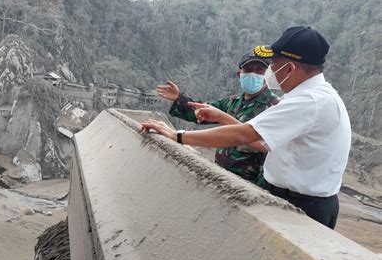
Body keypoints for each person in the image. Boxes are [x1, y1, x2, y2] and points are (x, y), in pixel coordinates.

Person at [142, 26, 351, 229]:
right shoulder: (317, 95)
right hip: (302, 199)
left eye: (273, 65)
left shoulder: (308, 101)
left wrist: (177, 136)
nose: (270, 72)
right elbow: (262, 141)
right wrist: (218, 115)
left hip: (302, 206)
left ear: (289, 68)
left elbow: (245, 134)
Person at [156, 53, 279, 187]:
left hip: (249, 185)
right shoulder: (233, 102)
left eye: (259, 70)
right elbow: (201, 112)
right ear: (239, 74)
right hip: (221, 178)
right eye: (248, 70)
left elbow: (271, 151)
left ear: (267, 74)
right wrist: (179, 98)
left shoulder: (275, 108)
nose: (253, 74)